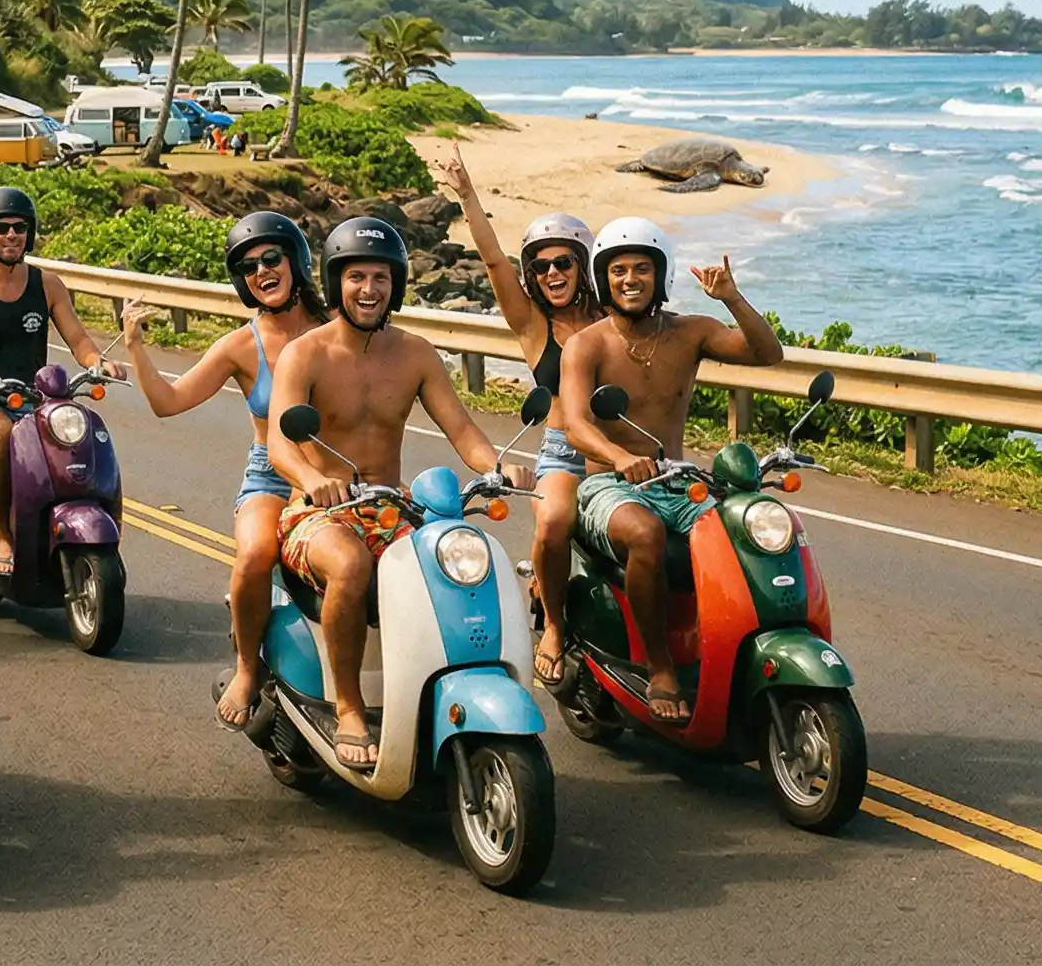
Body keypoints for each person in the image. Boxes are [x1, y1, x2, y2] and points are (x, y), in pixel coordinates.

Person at [267, 217, 512, 769]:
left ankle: (426, 692)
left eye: (381, 277)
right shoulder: (305, 354)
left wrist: (498, 465)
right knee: (351, 566)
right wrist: (312, 480)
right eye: (356, 277)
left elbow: (462, 429)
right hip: (318, 514)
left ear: (396, 284)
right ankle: (350, 706)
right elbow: (282, 445)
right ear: (336, 284)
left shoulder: (417, 354)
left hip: (391, 508)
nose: (369, 290)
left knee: (456, 564)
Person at [557, 219, 782, 725]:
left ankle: (732, 650)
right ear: (602, 278)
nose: (630, 279)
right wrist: (618, 458)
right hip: (607, 486)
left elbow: (768, 354)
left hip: (677, 481)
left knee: (745, 530)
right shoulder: (587, 345)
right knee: (645, 533)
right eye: (618, 270)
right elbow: (574, 423)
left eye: (641, 268)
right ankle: (659, 667)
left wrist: (731, 298)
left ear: (662, 275)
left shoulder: (691, 332)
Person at [120, 213, 326, 730]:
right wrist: (135, 347)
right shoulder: (242, 345)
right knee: (255, 553)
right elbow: (169, 401)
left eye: (271, 258)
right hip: (272, 476)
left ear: (295, 262)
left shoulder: (337, 330)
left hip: (333, 473)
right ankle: (246, 668)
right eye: (249, 267)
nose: (262, 271)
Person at [437, 146, 602, 690]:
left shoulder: (611, 322)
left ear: (584, 266)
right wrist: (467, 194)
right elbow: (493, 263)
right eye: (542, 266)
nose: (552, 273)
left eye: (564, 262)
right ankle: (553, 627)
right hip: (561, 451)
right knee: (553, 522)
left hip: (616, 451)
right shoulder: (533, 326)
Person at [0, 186, 125, 578]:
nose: (11, 235)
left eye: (19, 227)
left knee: (79, 437)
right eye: (1, 227)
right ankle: (1, 534)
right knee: (1, 433)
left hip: (35, 402)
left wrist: (98, 362)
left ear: (29, 233)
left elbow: (79, 339)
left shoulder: (47, 284)